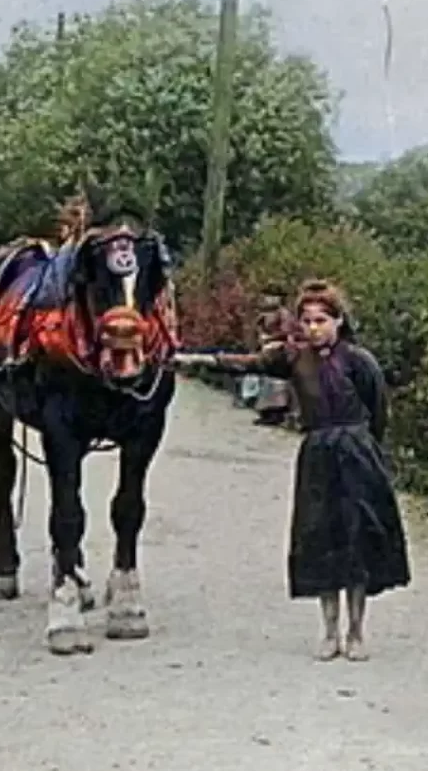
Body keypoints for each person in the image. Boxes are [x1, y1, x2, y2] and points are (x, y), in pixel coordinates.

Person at [173, 279, 411, 662]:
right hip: (317, 454)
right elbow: (246, 364)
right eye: (307, 320)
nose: (314, 328)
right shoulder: (293, 357)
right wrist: (193, 360)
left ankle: (356, 631)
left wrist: (371, 452)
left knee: (356, 539)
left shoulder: (358, 360)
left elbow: (378, 408)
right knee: (320, 537)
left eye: (322, 320)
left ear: (338, 321)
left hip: (357, 453)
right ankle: (329, 630)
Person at [252, 290, 297, 427]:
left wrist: (270, 338)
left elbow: (286, 332)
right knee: (266, 379)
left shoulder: (283, 314)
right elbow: (257, 328)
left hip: (280, 349)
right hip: (267, 348)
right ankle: (266, 411)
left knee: (276, 382)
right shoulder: (264, 315)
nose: (269, 300)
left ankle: (276, 412)